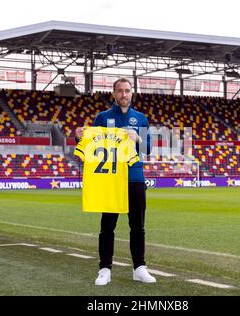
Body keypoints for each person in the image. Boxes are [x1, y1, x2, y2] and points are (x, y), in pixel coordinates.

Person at [75, 77, 156, 286]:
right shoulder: (102, 118)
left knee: (138, 226)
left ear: (132, 93)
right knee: (107, 226)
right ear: (113, 93)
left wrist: (136, 137)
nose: (123, 94)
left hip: (135, 177)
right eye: (119, 91)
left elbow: (148, 148)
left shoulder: (140, 118)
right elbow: (92, 146)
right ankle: (104, 269)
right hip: (110, 180)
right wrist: (79, 138)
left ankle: (139, 267)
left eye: (127, 90)